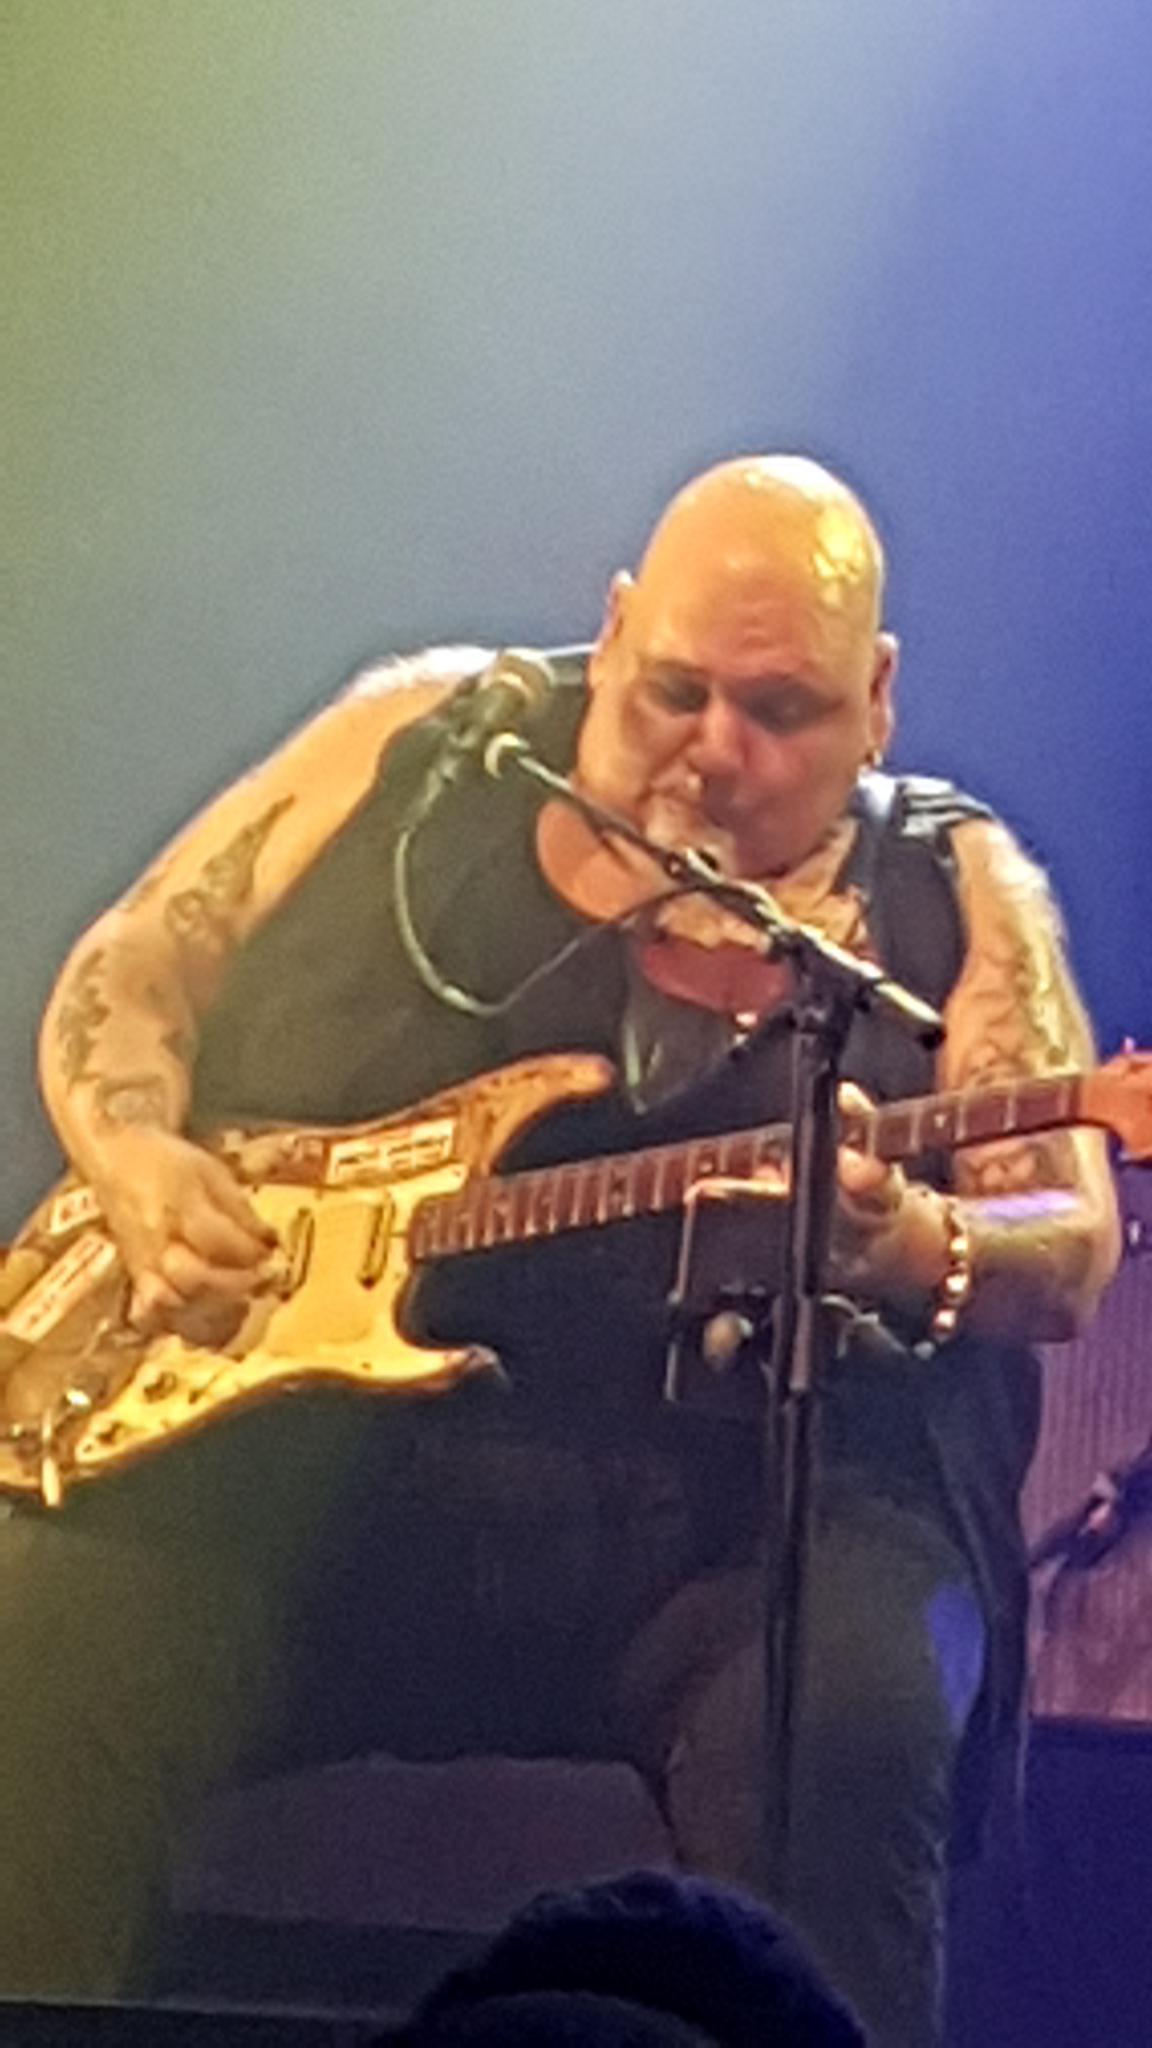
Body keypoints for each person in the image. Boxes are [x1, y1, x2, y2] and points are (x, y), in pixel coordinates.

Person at [6, 456, 1118, 2046]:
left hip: (739, 1528)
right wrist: (135, 1161)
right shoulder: (420, 742)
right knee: (41, 1642)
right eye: (673, 689)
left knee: (853, 1724)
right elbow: (133, 967)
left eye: (781, 711)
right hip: (327, 1478)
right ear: (612, 631)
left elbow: (1066, 1239)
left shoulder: (951, 889)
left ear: (877, 701)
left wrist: (912, 1241)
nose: (714, 749)